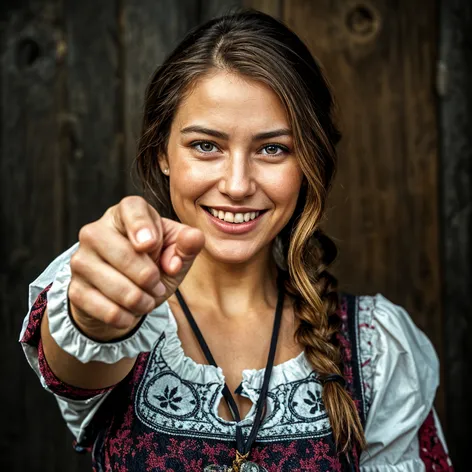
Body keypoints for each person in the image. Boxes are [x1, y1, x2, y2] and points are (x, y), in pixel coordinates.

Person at [20, 10, 453, 472]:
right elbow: (79, 352)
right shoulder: (124, 305)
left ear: (309, 162)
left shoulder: (376, 349)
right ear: (162, 152)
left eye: (273, 148)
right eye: (206, 145)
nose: (238, 184)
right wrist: (97, 315)